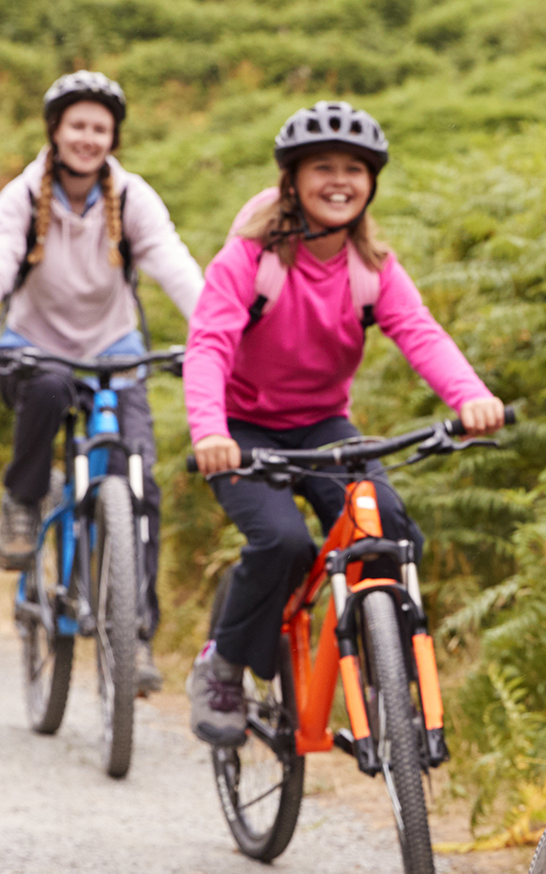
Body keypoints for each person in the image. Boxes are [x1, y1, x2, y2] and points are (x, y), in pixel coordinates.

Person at [183, 100, 506, 746]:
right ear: (292, 181)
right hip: (242, 430)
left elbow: (421, 333)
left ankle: (393, 680)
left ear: (371, 182)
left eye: (354, 169)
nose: (339, 181)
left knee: (387, 528)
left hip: (323, 424)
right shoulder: (249, 259)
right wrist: (210, 431)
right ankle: (222, 666)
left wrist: (471, 398)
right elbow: (209, 344)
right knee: (282, 544)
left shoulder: (371, 267)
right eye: (322, 168)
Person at [0, 70, 204, 694]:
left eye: (100, 128)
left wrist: (214, 330)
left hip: (114, 347)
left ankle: (136, 635)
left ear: (113, 138)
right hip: (33, 344)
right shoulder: (23, 195)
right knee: (46, 389)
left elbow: (172, 261)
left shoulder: (132, 196)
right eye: (78, 125)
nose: (88, 138)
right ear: (55, 130)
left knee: (139, 479)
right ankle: (23, 500)